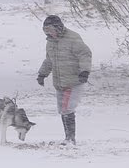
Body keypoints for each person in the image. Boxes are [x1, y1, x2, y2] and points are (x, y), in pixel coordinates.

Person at [36, 15, 91, 144]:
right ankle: (68, 137)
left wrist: (85, 71)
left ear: (58, 28)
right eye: (46, 30)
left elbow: (85, 54)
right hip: (60, 82)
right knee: (62, 109)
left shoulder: (73, 38)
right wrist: (42, 74)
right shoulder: (50, 42)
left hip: (74, 81)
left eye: (51, 30)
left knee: (67, 109)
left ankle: (70, 139)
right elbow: (49, 60)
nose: (49, 33)